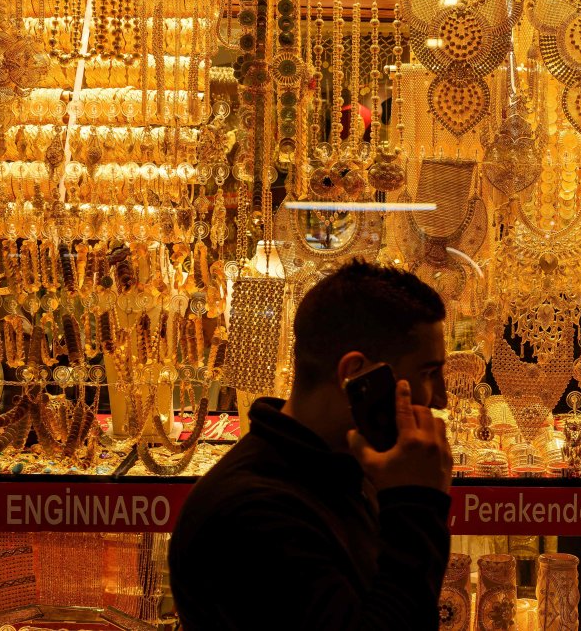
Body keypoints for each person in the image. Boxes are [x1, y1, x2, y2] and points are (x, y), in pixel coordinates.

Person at [168, 261, 454, 630]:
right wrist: (417, 506)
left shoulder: (343, 471)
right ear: (356, 374)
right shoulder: (253, 513)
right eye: (429, 373)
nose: (442, 399)